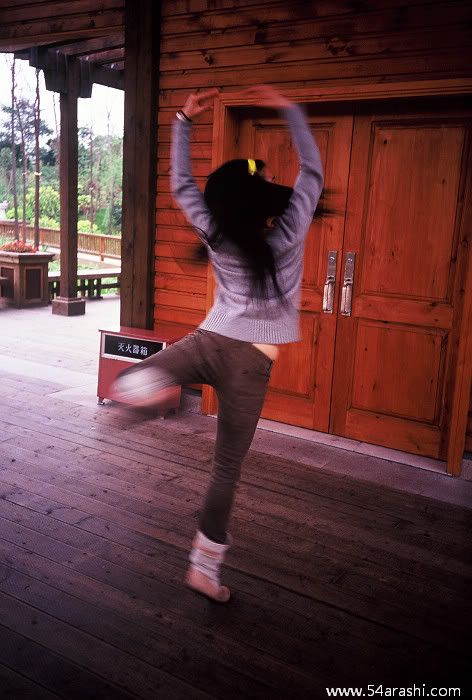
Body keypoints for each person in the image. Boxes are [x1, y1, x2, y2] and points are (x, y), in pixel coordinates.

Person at [112, 85, 324, 603]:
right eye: (265, 181)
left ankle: (142, 385)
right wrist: (289, 109)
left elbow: (182, 185)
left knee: (160, 366)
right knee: (226, 468)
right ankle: (203, 570)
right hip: (251, 363)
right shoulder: (289, 233)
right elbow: (312, 175)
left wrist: (183, 119)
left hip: (209, 340)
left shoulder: (215, 232)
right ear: (258, 199)